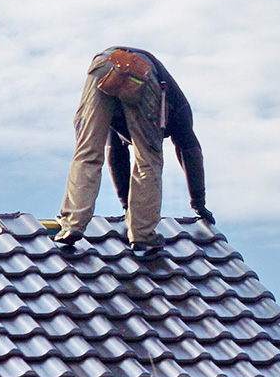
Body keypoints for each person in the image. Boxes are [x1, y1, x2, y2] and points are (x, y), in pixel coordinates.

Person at [55, 47, 214, 250]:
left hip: (102, 64)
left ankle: (72, 225)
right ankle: (142, 235)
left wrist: (127, 207)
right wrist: (199, 203)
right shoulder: (179, 110)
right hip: (141, 73)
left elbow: (115, 157)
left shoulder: (119, 115)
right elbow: (191, 153)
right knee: (148, 157)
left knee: (87, 150)